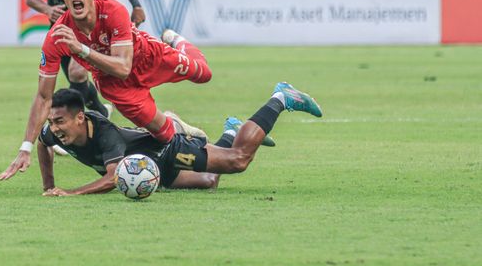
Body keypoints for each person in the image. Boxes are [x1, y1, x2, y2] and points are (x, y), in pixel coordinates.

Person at [0, 0, 213, 181]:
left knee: (204, 74)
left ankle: (177, 41)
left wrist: (80, 49)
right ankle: (175, 125)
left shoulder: (112, 11)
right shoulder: (56, 37)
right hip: (114, 85)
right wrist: (25, 147)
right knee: (164, 136)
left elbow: (123, 66)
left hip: (148, 57)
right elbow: (44, 97)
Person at [37, 83, 322, 196]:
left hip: (168, 148)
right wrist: (48, 185)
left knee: (237, 160)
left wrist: (71, 193)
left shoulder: (105, 134)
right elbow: (43, 143)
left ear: (79, 118)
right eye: (52, 121)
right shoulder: (56, 131)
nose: (55, 128)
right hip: (151, 169)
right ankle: (232, 130)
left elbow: (113, 179)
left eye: (59, 121)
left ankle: (280, 98)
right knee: (209, 181)